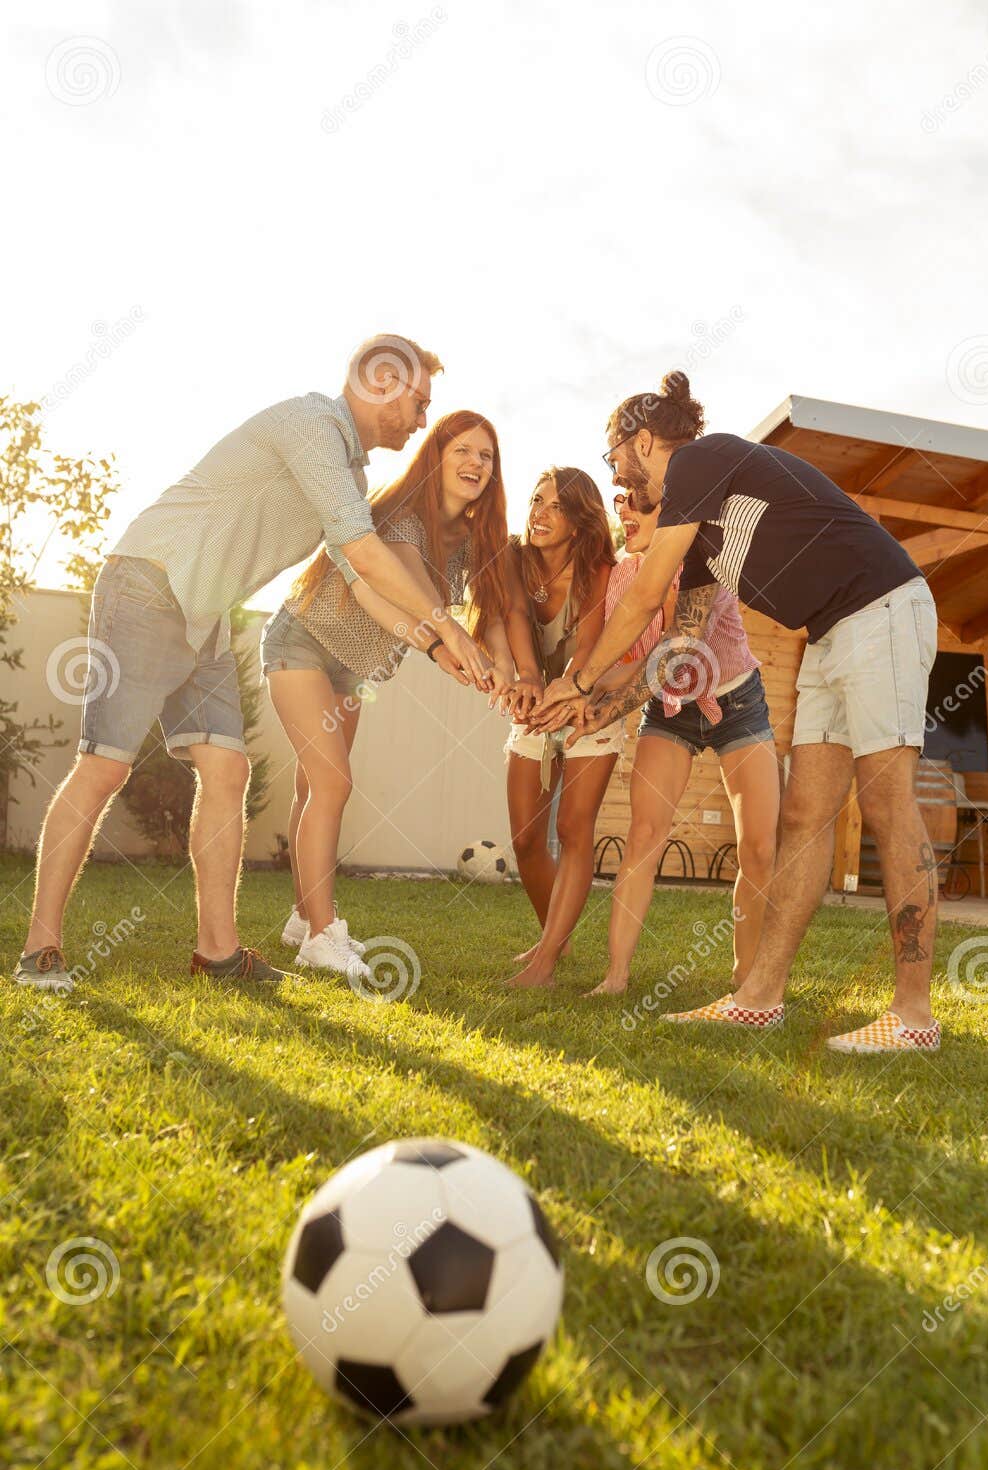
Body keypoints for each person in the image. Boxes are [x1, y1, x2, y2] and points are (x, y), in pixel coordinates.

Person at [14, 335, 488, 991]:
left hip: (206, 615)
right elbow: (368, 553)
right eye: (418, 402)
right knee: (103, 767)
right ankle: (40, 950)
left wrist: (438, 644)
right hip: (151, 585)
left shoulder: (349, 477)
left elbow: (362, 581)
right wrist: (445, 627)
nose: (420, 419)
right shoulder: (312, 425)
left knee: (227, 768)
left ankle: (219, 953)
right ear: (381, 381)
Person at [535, 372, 941, 1053]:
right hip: (828, 633)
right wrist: (598, 700)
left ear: (641, 442)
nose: (615, 473)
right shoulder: (694, 532)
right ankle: (757, 998)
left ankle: (913, 1016)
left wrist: (576, 678)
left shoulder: (702, 458)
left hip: (883, 611)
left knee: (887, 804)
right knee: (805, 819)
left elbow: (640, 601)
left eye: (614, 455)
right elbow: (676, 643)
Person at [262, 410, 533, 976]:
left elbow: (494, 614)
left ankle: (301, 914)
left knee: (314, 784)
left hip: (354, 669)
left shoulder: (473, 539)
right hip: (305, 641)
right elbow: (408, 594)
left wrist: (501, 663)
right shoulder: (406, 519)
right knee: (334, 783)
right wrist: (448, 647)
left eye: (486, 455)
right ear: (437, 456)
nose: (475, 463)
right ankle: (321, 933)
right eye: (462, 450)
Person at [584, 490, 779, 996]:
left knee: (758, 847)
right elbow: (628, 659)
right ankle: (616, 977)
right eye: (619, 500)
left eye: (635, 502)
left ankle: (747, 983)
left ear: (668, 514)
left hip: (736, 701)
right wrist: (575, 693)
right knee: (645, 834)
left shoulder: (705, 558)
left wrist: (601, 705)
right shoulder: (626, 575)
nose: (623, 511)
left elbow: (676, 654)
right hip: (669, 708)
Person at [504, 468, 621, 989]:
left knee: (574, 830)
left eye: (556, 506)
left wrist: (570, 692)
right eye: (536, 500)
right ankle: (557, 934)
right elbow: (509, 623)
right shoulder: (515, 563)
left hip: (589, 703)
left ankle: (546, 962)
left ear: (579, 520)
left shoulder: (598, 570)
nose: (540, 513)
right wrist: (529, 681)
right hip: (535, 702)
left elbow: (593, 646)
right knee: (527, 839)